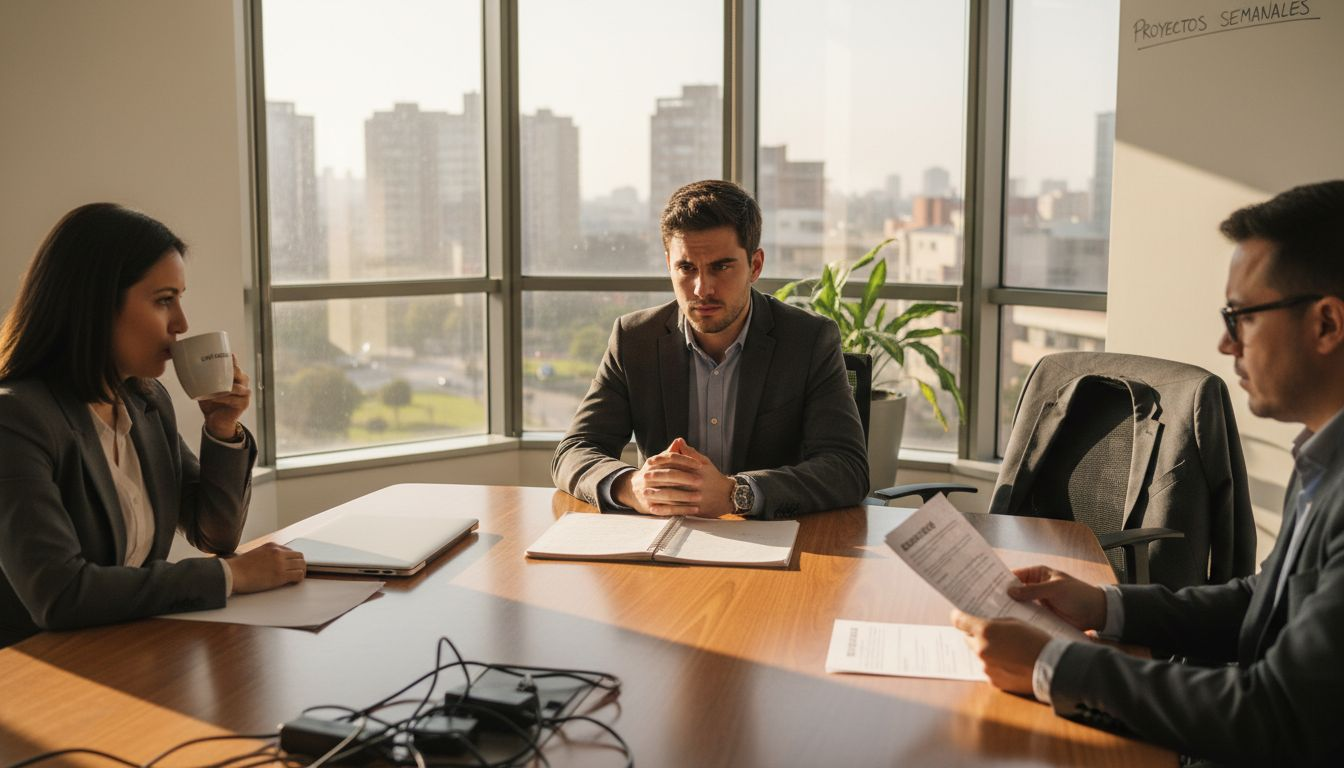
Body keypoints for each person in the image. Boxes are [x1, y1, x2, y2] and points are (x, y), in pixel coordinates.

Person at [952, 180, 1344, 765]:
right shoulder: (1322, 453)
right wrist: (1106, 607)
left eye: (1241, 317)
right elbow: (1265, 600)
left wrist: (1050, 664)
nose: (1225, 342)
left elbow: (1278, 717)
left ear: (1327, 324)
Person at [0, 203, 305, 648]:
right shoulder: (17, 420)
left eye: (180, 299)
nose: (181, 324)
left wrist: (222, 428)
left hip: (128, 648)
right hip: (39, 672)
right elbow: (60, 594)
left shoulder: (144, 401)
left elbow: (214, 533)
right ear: (96, 304)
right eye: (165, 300)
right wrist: (228, 577)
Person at [552, 179, 868, 520]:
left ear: (755, 266)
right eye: (686, 268)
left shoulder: (808, 340)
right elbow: (574, 450)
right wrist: (631, 486)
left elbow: (846, 468)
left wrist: (738, 494)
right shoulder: (634, 339)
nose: (703, 289)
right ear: (668, 265)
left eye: (721, 266)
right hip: (664, 541)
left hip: (772, 546)